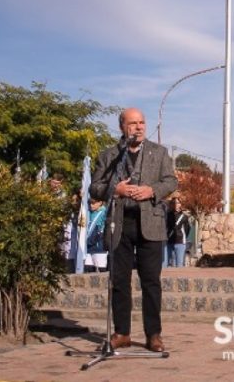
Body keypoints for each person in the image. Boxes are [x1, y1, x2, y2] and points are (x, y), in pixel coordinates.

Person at [90, 107, 177, 353]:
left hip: (150, 222)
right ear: (122, 127)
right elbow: (94, 187)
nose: (139, 127)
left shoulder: (159, 153)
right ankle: (122, 333)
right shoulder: (109, 156)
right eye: (133, 123)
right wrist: (115, 190)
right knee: (119, 281)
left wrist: (152, 191)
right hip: (120, 222)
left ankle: (154, 335)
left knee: (151, 281)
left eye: (142, 122)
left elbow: (171, 181)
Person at [84, 198, 108, 272]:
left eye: (93, 203)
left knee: (101, 269)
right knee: (88, 269)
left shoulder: (104, 212)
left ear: (100, 202)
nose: (91, 205)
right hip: (88, 246)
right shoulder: (89, 212)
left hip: (99, 246)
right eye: (90, 203)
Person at [167, 198, 190, 268]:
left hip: (180, 242)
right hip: (169, 242)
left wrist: (182, 236)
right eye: (174, 203)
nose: (176, 205)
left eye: (178, 203)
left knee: (179, 265)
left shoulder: (184, 217)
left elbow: (187, 229)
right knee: (169, 264)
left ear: (181, 204)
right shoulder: (167, 215)